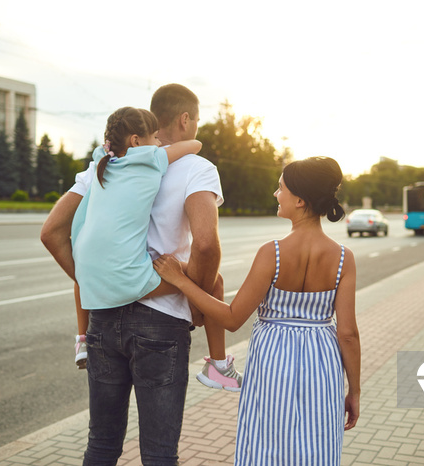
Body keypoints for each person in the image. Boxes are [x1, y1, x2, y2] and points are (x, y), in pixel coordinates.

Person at [40, 84, 239, 465]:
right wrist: (195, 297)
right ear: (185, 119)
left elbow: (51, 232)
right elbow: (207, 245)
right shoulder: (196, 167)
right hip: (161, 321)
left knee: (101, 444)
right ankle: (220, 366)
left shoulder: (103, 164)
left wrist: (92, 282)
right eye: (196, 120)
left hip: (102, 318)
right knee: (159, 453)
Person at [154, 156, 361, 465]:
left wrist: (180, 280)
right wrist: (354, 390)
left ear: (300, 200)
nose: (276, 194)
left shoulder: (272, 253)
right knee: (318, 447)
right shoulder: (344, 258)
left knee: (264, 444)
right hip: (323, 362)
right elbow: (348, 334)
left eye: (281, 189)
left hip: (272, 360)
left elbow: (233, 318)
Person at [69, 106, 200, 358]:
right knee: (202, 279)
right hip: (126, 278)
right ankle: (216, 360)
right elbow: (195, 144)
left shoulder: (101, 161)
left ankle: (82, 340)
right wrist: (160, 149)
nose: (159, 142)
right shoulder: (150, 159)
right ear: (136, 141)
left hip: (86, 273)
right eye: (154, 137)